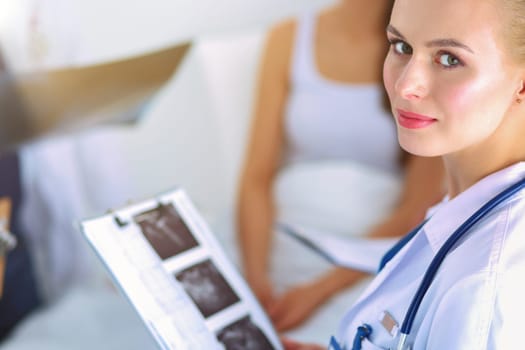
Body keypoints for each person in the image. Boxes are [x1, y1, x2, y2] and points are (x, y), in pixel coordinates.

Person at [284, 0, 525, 348]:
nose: (405, 85)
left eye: (449, 59)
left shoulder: (484, 289)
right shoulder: (466, 206)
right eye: (401, 47)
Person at [237, 0, 445, 333]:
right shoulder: (288, 37)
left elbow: (415, 210)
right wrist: (253, 280)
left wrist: (317, 291)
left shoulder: (424, 54)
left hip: (365, 262)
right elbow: (255, 178)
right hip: (282, 240)